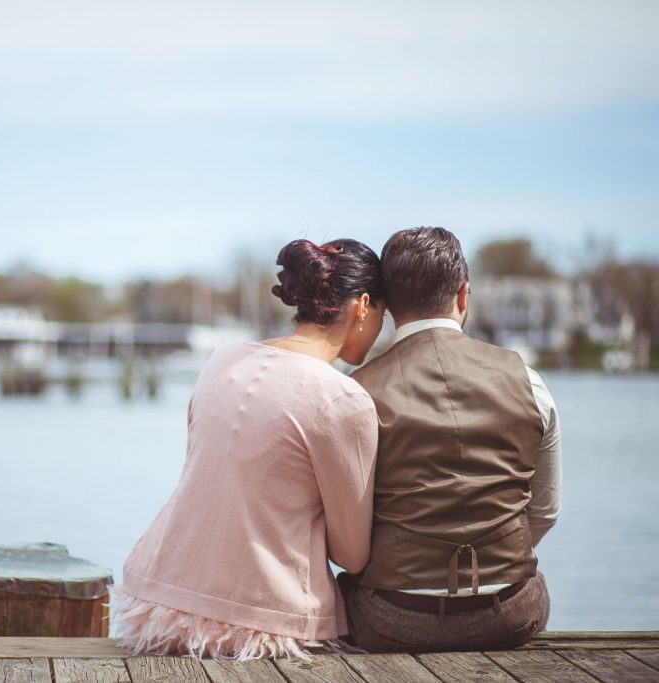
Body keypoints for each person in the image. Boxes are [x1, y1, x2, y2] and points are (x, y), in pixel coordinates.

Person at [109, 238, 386, 659]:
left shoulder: (222, 359)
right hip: (260, 621)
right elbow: (352, 555)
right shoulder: (341, 398)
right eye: (383, 313)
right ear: (362, 306)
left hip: (155, 602)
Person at [338, 226, 561, 653]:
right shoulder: (528, 382)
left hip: (393, 621)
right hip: (513, 614)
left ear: (387, 307)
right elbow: (546, 510)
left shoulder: (356, 392)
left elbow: (349, 530)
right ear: (463, 296)